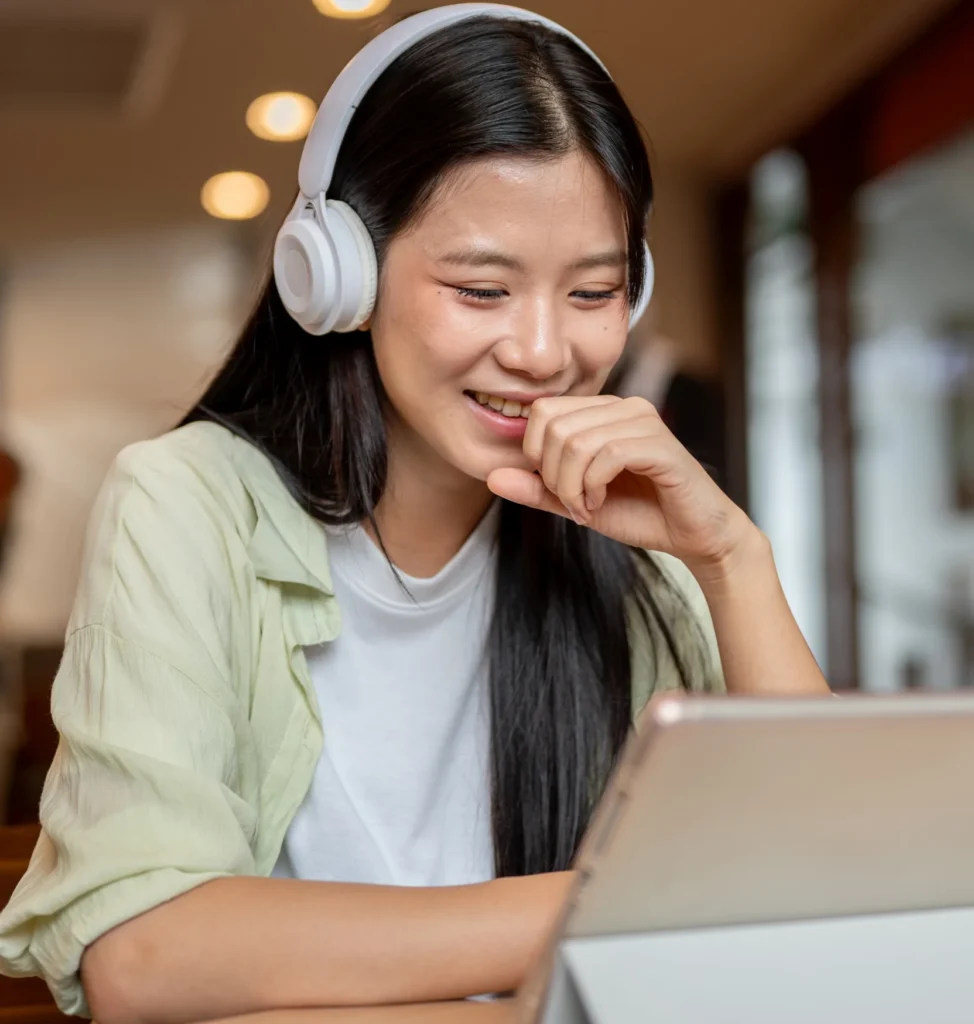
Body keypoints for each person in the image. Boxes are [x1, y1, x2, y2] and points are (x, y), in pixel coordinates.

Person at [0, 6, 830, 1022]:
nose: (540, 351)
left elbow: (825, 894)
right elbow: (144, 953)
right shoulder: (187, 502)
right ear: (335, 275)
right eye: (480, 289)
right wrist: (614, 905)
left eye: (592, 291)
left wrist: (731, 557)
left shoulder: (626, 540)